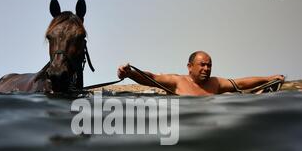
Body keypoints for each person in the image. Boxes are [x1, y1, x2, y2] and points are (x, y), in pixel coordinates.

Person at [117, 51, 285, 96]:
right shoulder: (177, 82)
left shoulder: (216, 83)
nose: (206, 68)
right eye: (202, 65)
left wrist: (268, 78)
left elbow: (240, 83)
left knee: (247, 96)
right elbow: (152, 78)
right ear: (190, 67)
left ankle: (261, 92)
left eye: (209, 65)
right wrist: (129, 73)